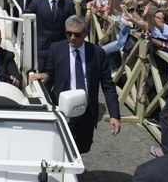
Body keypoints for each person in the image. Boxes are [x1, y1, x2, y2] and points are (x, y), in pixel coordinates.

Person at [30, 15, 120, 154]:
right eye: (68, 33)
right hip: (62, 109)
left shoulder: (97, 53)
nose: (72, 38)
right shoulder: (56, 49)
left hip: (86, 110)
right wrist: (45, 76)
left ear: (85, 33)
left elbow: (108, 85)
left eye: (77, 34)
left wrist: (114, 115)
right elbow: (50, 74)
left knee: (83, 147)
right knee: (60, 147)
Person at [24, 0, 73, 71]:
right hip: (43, 46)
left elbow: (72, 23)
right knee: (43, 73)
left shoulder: (68, 4)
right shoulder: (37, 2)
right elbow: (26, 14)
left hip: (61, 45)